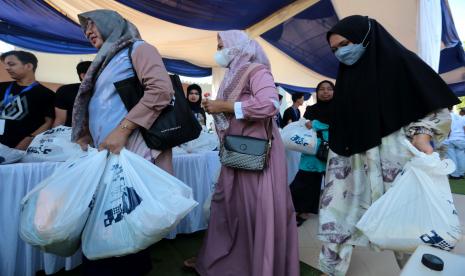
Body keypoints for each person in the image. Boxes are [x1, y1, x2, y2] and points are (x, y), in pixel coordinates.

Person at [319, 15, 460, 275]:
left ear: (366, 37)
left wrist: (422, 133)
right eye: (335, 49)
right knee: (336, 221)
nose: (341, 52)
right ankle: (331, 270)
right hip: (352, 163)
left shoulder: (403, 63)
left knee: (410, 226)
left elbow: (439, 109)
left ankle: (423, 272)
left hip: (396, 158)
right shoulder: (348, 78)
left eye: (345, 43)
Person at [72, 10, 175, 276]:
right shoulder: (106, 60)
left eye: (92, 25)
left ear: (112, 24)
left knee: (123, 219)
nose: (88, 32)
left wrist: (122, 130)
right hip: (109, 152)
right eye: (85, 29)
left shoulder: (139, 49)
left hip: (132, 149)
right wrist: (87, 132)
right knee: (114, 222)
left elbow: (161, 90)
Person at [194, 30, 299, 276]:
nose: (219, 51)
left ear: (237, 46)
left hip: (257, 153)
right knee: (230, 206)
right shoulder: (232, 75)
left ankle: (259, 265)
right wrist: (216, 108)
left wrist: (226, 106)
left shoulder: (256, 71)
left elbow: (270, 105)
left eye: (222, 45)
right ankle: (229, 259)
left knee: (255, 209)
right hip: (236, 151)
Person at [290, 80, 334, 227]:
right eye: (322, 89)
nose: (326, 92)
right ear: (317, 92)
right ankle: (302, 211)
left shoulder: (340, 108)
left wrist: (316, 124)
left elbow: (340, 124)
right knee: (304, 181)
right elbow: (305, 125)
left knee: (334, 183)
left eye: (329, 89)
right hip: (312, 150)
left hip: (334, 151)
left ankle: (335, 212)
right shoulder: (311, 109)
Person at [0, 50, 55, 149]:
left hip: (19, 149)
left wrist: (29, 140)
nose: (6, 68)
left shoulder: (46, 94)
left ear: (29, 66)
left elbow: (49, 122)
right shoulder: (1, 87)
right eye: (6, 65)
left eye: (11, 64)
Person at [53, 61, 91, 127]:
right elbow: (60, 120)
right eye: (98, 73)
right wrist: (52, 136)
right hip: (69, 133)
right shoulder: (65, 91)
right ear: (84, 76)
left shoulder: (106, 91)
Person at [444, 108, 465, 179]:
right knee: (461, 156)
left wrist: (447, 137)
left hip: (452, 138)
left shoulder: (447, 116)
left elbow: (448, 128)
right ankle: (461, 173)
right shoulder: (459, 116)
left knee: (452, 157)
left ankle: (454, 174)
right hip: (461, 139)